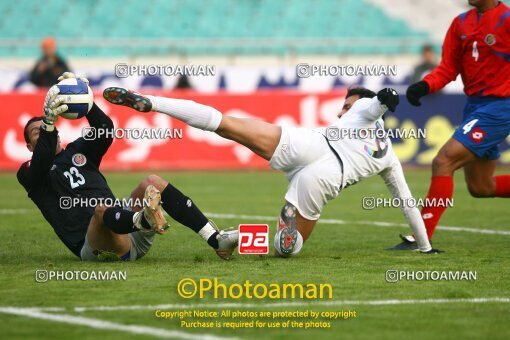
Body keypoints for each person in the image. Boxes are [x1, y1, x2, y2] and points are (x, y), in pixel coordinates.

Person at [103, 85, 441, 256]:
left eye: (346, 106)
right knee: (285, 249)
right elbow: (407, 202)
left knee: (223, 123)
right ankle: (255, 237)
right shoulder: (390, 158)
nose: (342, 111)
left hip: (308, 145)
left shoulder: (365, 109)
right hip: (325, 177)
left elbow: (374, 103)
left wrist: (385, 98)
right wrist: (425, 247)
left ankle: (154, 101)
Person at [18, 73, 238, 261]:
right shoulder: (28, 173)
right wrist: (48, 121)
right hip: (97, 245)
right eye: (37, 132)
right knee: (100, 209)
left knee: (152, 182)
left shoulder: (78, 151)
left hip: (124, 223)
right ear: (28, 145)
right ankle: (144, 219)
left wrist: (87, 101)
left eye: (47, 128)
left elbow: (104, 127)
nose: (46, 131)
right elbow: (43, 159)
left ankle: (215, 239)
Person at [400, 0, 510, 249]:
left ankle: (422, 236)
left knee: (443, 161)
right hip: (474, 106)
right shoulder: (460, 23)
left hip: (500, 107)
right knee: (481, 187)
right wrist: (425, 85)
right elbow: (448, 68)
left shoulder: (506, 20)